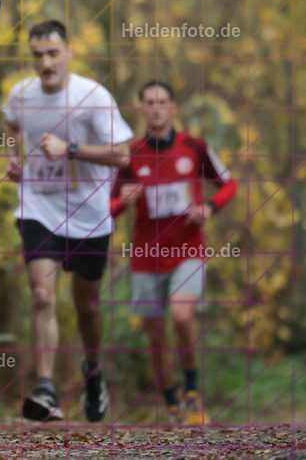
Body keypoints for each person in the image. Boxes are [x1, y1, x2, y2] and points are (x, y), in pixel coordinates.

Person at [1, 20, 133, 423]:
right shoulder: (21, 93)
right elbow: (10, 121)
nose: (45, 62)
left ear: (68, 52)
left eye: (53, 53)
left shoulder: (92, 96)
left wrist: (69, 149)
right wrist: (12, 156)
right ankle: (45, 389)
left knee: (87, 306)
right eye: (38, 55)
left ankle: (93, 371)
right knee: (42, 296)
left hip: (90, 215)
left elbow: (122, 154)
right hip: (38, 207)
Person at [110, 80, 236, 426]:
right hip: (145, 258)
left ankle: (193, 393)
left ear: (173, 108)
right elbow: (106, 208)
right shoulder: (130, 155)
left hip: (188, 252)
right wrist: (125, 200)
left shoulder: (194, 147)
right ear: (140, 109)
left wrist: (208, 208)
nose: (155, 108)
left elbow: (228, 184)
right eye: (148, 102)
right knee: (156, 336)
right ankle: (171, 402)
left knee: (181, 316)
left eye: (162, 102)